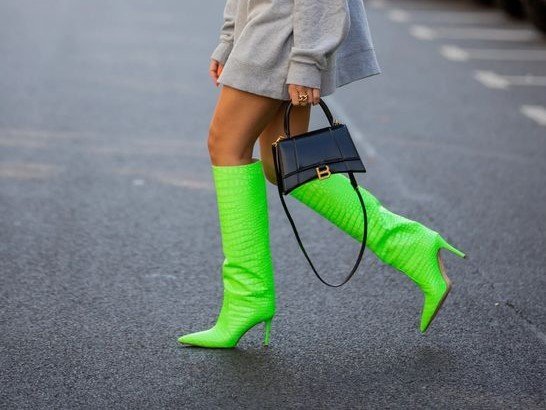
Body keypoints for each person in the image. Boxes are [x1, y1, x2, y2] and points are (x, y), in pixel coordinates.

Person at [177, 0, 465, 349]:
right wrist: (230, 38)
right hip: (269, 25)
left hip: (284, 29)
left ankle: (247, 298)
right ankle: (410, 244)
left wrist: (307, 60)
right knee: (282, 163)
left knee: (226, 146)